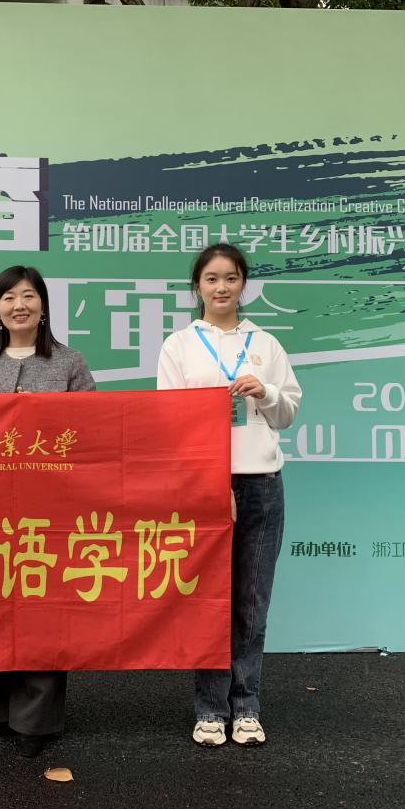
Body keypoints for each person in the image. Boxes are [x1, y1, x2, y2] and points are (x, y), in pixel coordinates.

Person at [156, 243, 301, 748]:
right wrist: (211, 482)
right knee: (210, 601)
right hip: (207, 485)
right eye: (212, 278)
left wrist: (267, 392)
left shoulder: (266, 344)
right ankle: (211, 710)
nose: (222, 288)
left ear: (243, 285)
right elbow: (171, 425)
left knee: (252, 601)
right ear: (197, 286)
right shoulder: (180, 346)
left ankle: (247, 707)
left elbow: (288, 413)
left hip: (262, 484)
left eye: (232, 278)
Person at [0, 265, 95, 757]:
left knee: (42, 609)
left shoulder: (69, 362)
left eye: (28, 296)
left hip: (52, 506)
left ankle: (37, 722)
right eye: (8, 298)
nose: (19, 305)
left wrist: (38, 415)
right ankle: (1, 712)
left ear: (43, 306)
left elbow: (93, 431)